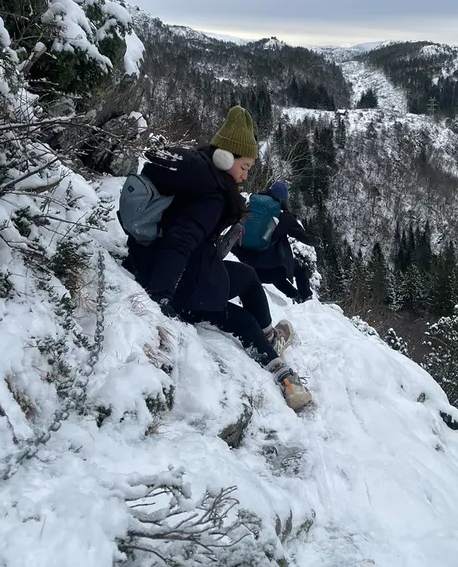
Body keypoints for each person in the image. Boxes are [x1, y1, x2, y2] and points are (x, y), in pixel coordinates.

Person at [124, 106, 312, 411]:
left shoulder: (195, 176)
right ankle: (281, 369)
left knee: (248, 277)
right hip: (181, 286)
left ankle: (269, 336)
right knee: (242, 320)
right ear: (226, 156)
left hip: (157, 265)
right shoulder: (212, 194)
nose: (245, 175)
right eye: (245, 166)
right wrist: (161, 297)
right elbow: (180, 241)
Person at [235, 181, 315, 303]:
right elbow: (305, 238)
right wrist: (317, 241)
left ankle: (294, 295)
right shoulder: (284, 217)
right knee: (296, 270)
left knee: (276, 266)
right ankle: (306, 299)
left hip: (248, 266)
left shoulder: (251, 207)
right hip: (271, 271)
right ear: (283, 200)